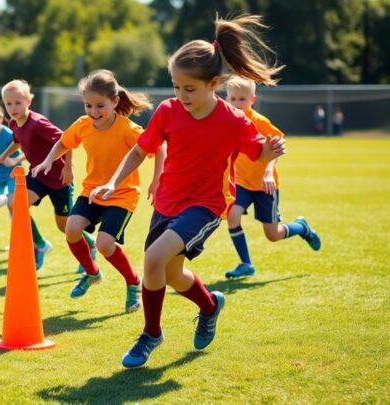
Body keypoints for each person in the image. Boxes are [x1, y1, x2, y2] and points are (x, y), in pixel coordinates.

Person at [89, 15, 286, 368]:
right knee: (169, 273)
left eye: (189, 89)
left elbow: (258, 150)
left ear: (213, 83)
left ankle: (150, 335)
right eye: (176, 87)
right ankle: (210, 306)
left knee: (152, 260)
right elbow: (139, 151)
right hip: (166, 203)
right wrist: (112, 182)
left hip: (206, 205)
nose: (181, 96)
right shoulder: (168, 111)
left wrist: (269, 153)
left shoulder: (233, 120)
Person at [32, 70, 165, 313]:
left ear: (115, 102)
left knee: (104, 243)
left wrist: (157, 180)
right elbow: (64, 142)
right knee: (71, 229)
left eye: (100, 106)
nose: (93, 112)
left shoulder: (128, 129)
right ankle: (92, 273)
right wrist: (49, 161)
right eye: (88, 105)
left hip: (122, 195)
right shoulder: (83, 125)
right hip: (92, 191)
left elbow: (160, 148)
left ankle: (133, 282)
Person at [0, 80, 97, 272]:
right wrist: (3, 156)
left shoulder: (38, 123)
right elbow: (18, 140)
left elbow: (66, 139)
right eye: (8, 103)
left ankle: (90, 244)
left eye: (18, 102)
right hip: (38, 174)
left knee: (64, 227)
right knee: (15, 203)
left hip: (59, 180)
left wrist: (68, 168)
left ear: (29, 101)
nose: (13, 107)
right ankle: (40, 244)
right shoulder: (14, 123)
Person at [224, 76, 321, 279]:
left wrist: (268, 172)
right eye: (232, 99)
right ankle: (246, 263)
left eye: (241, 99)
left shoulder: (259, 122)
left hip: (264, 186)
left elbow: (279, 145)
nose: (236, 104)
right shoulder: (228, 120)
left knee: (273, 234)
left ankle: (301, 227)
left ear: (253, 100)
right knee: (232, 216)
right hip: (241, 182)